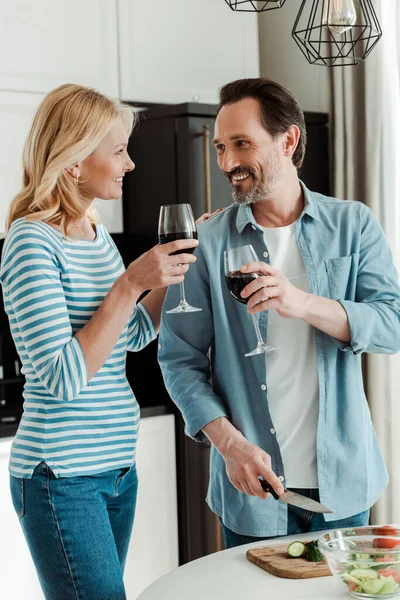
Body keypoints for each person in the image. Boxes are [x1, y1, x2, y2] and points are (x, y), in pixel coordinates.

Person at [158, 78, 400, 549]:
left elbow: (392, 324)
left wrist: (301, 303)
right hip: (251, 486)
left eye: (242, 144)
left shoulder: (352, 224)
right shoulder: (208, 242)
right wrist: (230, 446)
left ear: (288, 140)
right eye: (221, 147)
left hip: (344, 485)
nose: (228, 163)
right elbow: (179, 360)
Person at [0, 83, 204, 600]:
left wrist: (170, 272)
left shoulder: (93, 234)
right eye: (118, 151)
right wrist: (133, 282)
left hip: (115, 468)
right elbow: (64, 378)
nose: (130, 164)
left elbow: (131, 334)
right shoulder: (31, 241)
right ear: (73, 162)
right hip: (60, 476)